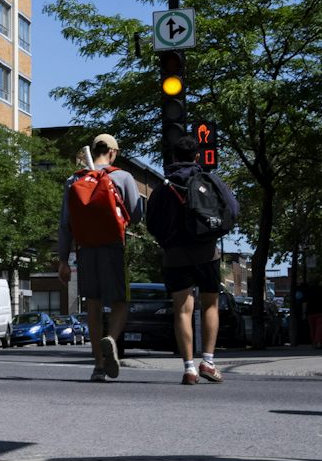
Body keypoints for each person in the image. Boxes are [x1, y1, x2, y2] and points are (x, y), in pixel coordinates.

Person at [145, 136, 237, 385]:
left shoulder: (164, 186)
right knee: (210, 304)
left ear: (173, 157)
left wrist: (167, 240)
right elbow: (232, 209)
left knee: (183, 309)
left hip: (175, 253)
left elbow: (151, 221)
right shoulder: (210, 180)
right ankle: (208, 362)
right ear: (197, 156)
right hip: (206, 251)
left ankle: (188, 368)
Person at [57, 133, 143, 382]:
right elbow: (136, 215)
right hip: (114, 246)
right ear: (113, 152)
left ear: (93, 151)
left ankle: (98, 366)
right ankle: (111, 338)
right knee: (121, 302)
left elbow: (65, 224)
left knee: (93, 305)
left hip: (85, 250)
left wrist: (63, 260)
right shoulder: (123, 176)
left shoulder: (74, 179)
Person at [305, 282, 322, 350]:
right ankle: (318, 343)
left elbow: (305, 302)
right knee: (319, 329)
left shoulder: (308, 290)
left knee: (312, 329)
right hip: (321, 311)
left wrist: (304, 313)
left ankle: (314, 343)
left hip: (310, 312)